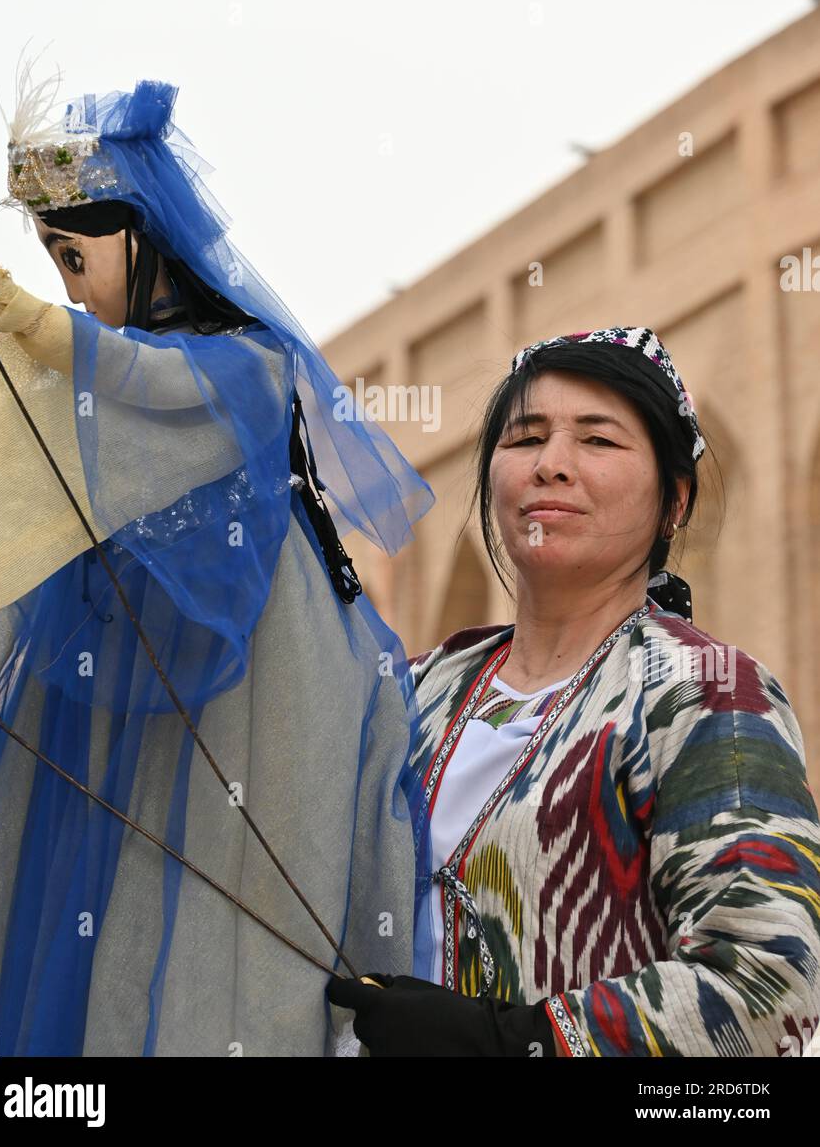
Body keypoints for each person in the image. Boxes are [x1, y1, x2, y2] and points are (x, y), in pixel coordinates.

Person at [0, 57, 435, 1056]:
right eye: (50, 268)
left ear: (138, 237)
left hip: (265, 701)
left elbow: (150, 383)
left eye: (74, 260)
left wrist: (15, 315)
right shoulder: (103, 374)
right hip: (145, 699)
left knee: (237, 959)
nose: (70, 293)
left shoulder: (245, 364)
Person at [328, 326, 820, 1057]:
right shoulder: (416, 691)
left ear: (673, 501)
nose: (552, 466)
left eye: (598, 441)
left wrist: (510, 1043)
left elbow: (764, 987)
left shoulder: (704, 694)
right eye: (525, 438)